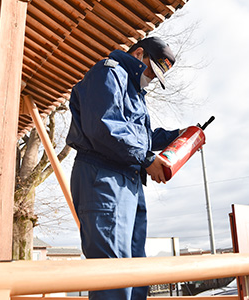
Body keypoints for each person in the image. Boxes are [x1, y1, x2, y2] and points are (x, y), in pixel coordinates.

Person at [66, 36, 180, 300]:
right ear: (139, 54)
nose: (151, 78)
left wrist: (179, 136)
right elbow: (104, 127)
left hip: (128, 179)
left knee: (135, 269)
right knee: (114, 272)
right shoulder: (109, 72)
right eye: (152, 71)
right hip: (103, 177)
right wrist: (147, 159)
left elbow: (141, 136)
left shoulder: (132, 88)